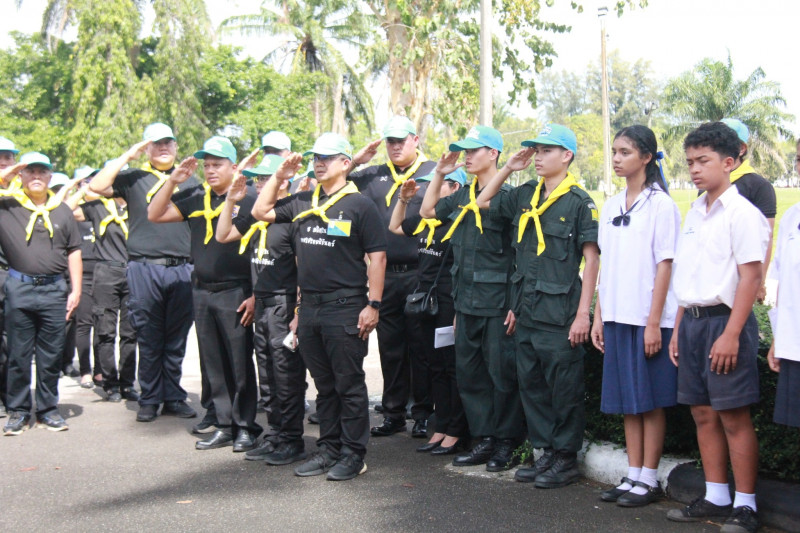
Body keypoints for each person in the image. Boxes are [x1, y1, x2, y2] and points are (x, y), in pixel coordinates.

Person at [251, 132, 387, 481]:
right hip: (310, 308)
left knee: (348, 385)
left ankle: (353, 454)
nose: (319, 163)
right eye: (316, 158)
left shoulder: (359, 205)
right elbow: (259, 211)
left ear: (346, 163)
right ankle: (329, 449)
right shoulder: (302, 201)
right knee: (324, 386)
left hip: (345, 306)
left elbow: (377, 257)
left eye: (327, 157)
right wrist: (279, 177)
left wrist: (373, 304)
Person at [475, 124, 599, 487]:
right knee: (532, 386)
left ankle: (565, 457)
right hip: (526, 310)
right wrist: (508, 168)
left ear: (567, 156)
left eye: (547, 150)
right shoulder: (526, 193)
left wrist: (583, 314)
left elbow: (591, 260)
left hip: (560, 313)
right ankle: (544, 453)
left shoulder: (579, 202)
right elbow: (483, 201)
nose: (539, 157)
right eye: (537, 150)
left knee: (564, 389)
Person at [666, 122, 768, 533]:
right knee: (703, 413)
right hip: (692, 324)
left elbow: (751, 277)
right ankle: (717, 496)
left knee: (733, 416)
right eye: (690, 161)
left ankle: (746, 505)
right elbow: (687, 276)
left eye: (703, 161)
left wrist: (731, 334)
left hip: (726, 323)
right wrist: (678, 328)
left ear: (729, 162)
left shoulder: (743, 214)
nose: (694, 169)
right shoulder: (694, 212)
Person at [420, 125, 524, 472]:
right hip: (465, 302)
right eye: (465, 151)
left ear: (493, 154)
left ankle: (506, 442)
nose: (466, 156)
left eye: (473, 150)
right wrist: (439, 173)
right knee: (470, 375)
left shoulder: (508, 197)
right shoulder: (462, 195)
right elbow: (427, 211)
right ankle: (484, 439)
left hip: (497, 304)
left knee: (501, 376)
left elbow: (519, 255)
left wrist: (515, 304)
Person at [148, 136, 261, 452]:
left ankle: (245, 426)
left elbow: (261, 250)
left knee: (240, 363)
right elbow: (155, 213)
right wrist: (173, 181)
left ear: (234, 167)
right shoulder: (197, 197)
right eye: (207, 165)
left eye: (217, 164)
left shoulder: (249, 200)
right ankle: (224, 424)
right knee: (214, 364)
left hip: (237, 291)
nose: (210, 170)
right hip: (202, 290)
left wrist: (255, 294)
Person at [590, 126, 681, 506]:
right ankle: (632, 474)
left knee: (650, 401)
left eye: (625, 152)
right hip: (617, 316)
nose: (616, 158)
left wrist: (653, 323)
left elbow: (665, 265)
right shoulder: (611, 205)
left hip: (648, 320)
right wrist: (599, 316)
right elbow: (606, 265)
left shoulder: (661, 205)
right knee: (628, 400)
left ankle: (648, 478)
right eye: (614, 151)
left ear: (646, 157)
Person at [89, 123, 199, 423]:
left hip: (181, 267)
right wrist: (129, 155)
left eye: (168, 143)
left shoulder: (190, 180)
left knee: (175, 339)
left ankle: (173, 396)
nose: (163, 148)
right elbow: (96, 187)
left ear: (176, 147)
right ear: (147, 148)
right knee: (149, 337)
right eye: (156, 143)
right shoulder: (133, 177)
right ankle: (150, 398)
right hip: (145, 267)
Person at [217, 153, 309, 465]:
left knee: (287, 376)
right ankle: (276, 435)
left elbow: (303, 269)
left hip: (284, 304)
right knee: (267, 377)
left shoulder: (292, 217)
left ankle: (292, 440)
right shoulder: (257, 215)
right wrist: (231, 201)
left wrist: (298, 312)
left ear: (283, 181)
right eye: (257, 179)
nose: (259, 184)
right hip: (263, 305)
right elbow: (223, 235)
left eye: (265, 178)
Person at [349, 116, 437, 439]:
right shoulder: (374, 175)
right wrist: (356, 161)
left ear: (416, 140)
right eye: (390, 141)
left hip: (420, 272)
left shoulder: (433, 173)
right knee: (391, 348)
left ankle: (424, 413)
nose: (396, 146)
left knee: (422, 347)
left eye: (401, 140)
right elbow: (329, 182)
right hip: (384, 275)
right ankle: (394, 412)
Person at [389, 168, 470, 454]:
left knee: (451, 366)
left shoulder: (459, 220)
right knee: (433, 366)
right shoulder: (427, 220)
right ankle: (441, 427)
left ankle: (456, 431)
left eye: (438, 185)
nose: (428, 191)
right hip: (426, 303)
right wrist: (403, 200)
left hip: (448, 301)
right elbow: (396, 227)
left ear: (455, 187)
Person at [0, 152, 82, 435]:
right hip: (19, 287)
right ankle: (19, 410)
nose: (36, 176)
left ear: (50, 176)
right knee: (18, 354)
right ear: (21, 174)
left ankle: (48, 410)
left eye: (42, 171)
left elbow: (74, 251)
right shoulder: (8, 205)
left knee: (51, 355)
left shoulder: (62, 210)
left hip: (54, 289)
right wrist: (8, 173)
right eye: (30, 171)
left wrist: (76, 289)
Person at [65, 166, 138, 403]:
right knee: (105, 331)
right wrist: (84, 186)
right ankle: (110, 383)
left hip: (133, 270)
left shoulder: (137, 204)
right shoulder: (98, 207)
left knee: (130, 332)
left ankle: (127, 383)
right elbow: (66, 210)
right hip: (106, 271)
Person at [715, 119, 776, 303]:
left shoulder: (759, 186)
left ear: (741, 149)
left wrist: (760, 282)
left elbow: (767, 236)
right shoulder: (708, 185)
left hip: (742, 277)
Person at [766, 138, 800, 430]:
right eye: (799, 159)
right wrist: (779, 339)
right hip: (795, 346)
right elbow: (784, 284)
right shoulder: (792, 217)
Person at [0, 136, 20, 418]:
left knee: (15, 343)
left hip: (16, 275)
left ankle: (12, 398)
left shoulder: (23, 193)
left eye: (9, 158)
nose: (5, 162)